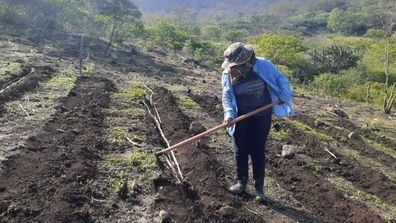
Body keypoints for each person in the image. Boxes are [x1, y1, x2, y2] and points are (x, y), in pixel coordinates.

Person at [221, 42, 294, 203]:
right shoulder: (228, 73)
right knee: (240, 148)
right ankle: (241, 183)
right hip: (240, 115)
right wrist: (228, 114)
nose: (237, 67)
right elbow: (227, 96)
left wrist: (284, 94)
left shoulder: (264, 65)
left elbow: (280, 78)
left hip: (262, 114)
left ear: (248, 61)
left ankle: (259, 189)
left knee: (257, 148)